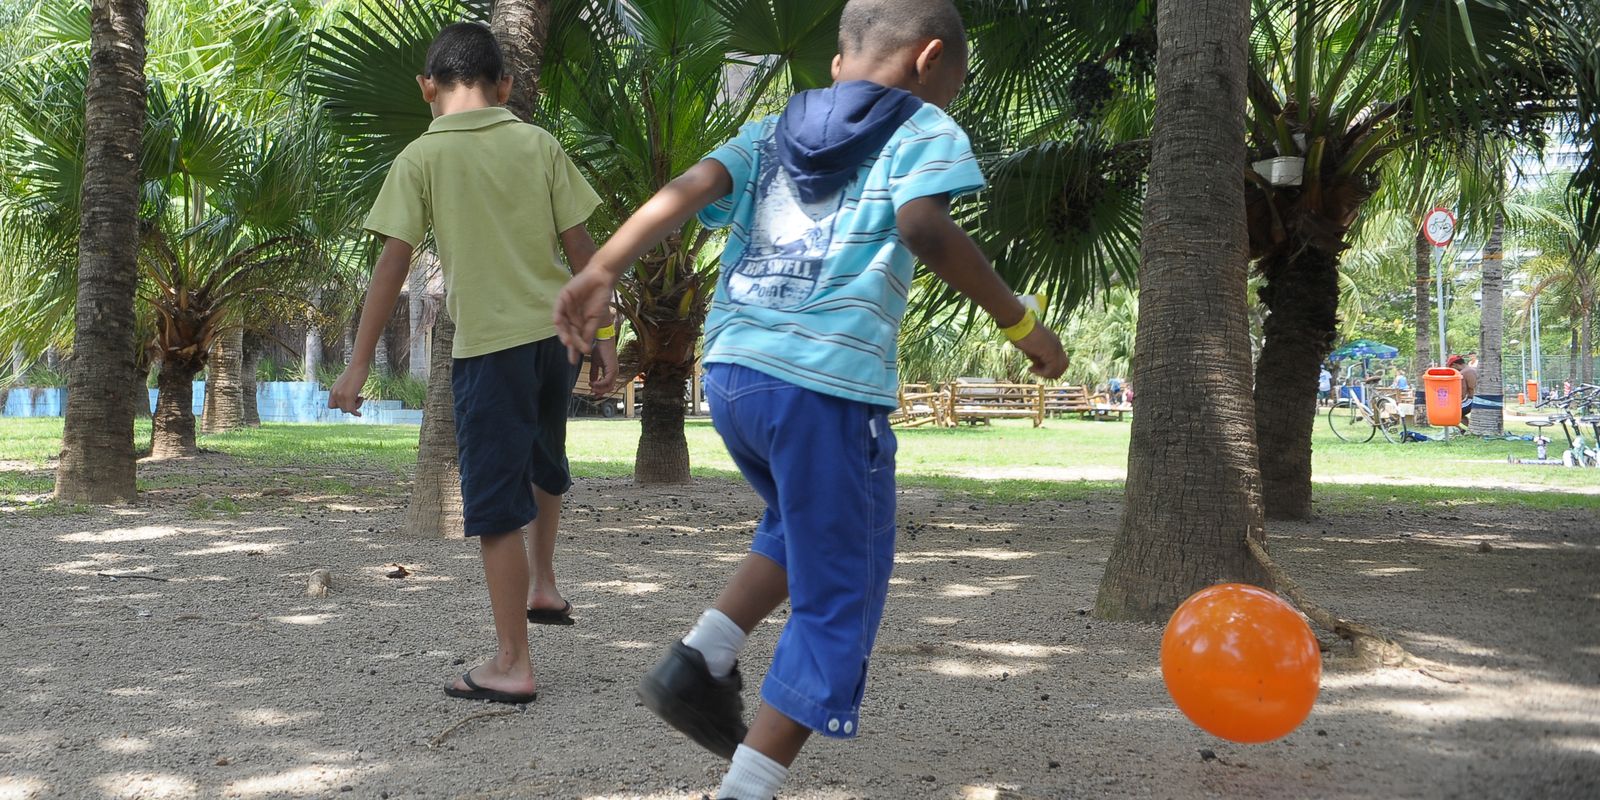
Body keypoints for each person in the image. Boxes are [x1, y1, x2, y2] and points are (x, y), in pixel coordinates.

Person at [553, 2, 1068, 796]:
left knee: (802, 524)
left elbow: (691, 187)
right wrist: (1022, 323)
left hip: (734, 377)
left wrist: (603, 268)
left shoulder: (769, 130)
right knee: (843, 590)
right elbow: (926, 229)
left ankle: (703, 657)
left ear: (837, 59)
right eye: (956, 85)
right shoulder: (923, 131)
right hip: (824, 387)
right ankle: (746, 788)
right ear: (931, 61)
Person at [328, 22, 617, 704]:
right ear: (506, 86)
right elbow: (584, 250)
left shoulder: (421, 157)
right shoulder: (539, 143)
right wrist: (603, 332)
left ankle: (512, 663)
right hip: (558, 341)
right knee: (545, 462)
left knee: (492, 509)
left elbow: (391, 264)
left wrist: (358, 364)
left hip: (491, 349)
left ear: (427, 87)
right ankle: (544, 585)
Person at [1448, 354, 1477, 423]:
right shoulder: (1473, 369)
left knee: (1448, 412)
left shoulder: (1462, 374)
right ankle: (1468, 429)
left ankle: (1464, 429)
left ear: (1455, 365)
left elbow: (1462, 393)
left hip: (1471, 400)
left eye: (1452, 367)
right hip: (1477, 399)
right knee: (1456, 413)